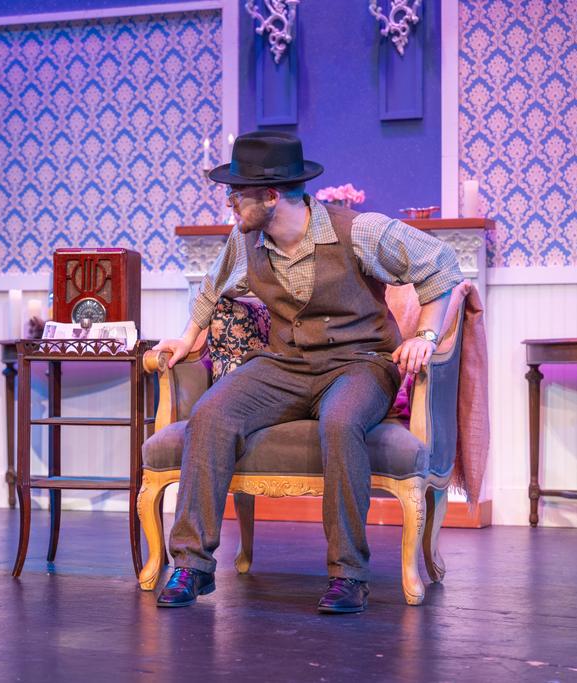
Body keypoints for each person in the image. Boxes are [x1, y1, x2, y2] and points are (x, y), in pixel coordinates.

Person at [153, 132, 463, 613]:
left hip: (359, 362)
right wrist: (187, 337)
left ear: (271, 196)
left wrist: (425, 335)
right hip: (286, 363)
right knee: (211, 414)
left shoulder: (360, 231)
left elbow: (441, 263)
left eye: (237, 193)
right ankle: (192, 565)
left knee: (341, 421)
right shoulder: (245, 240)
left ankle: (349, 574)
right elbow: (212, 289)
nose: (230, 202)